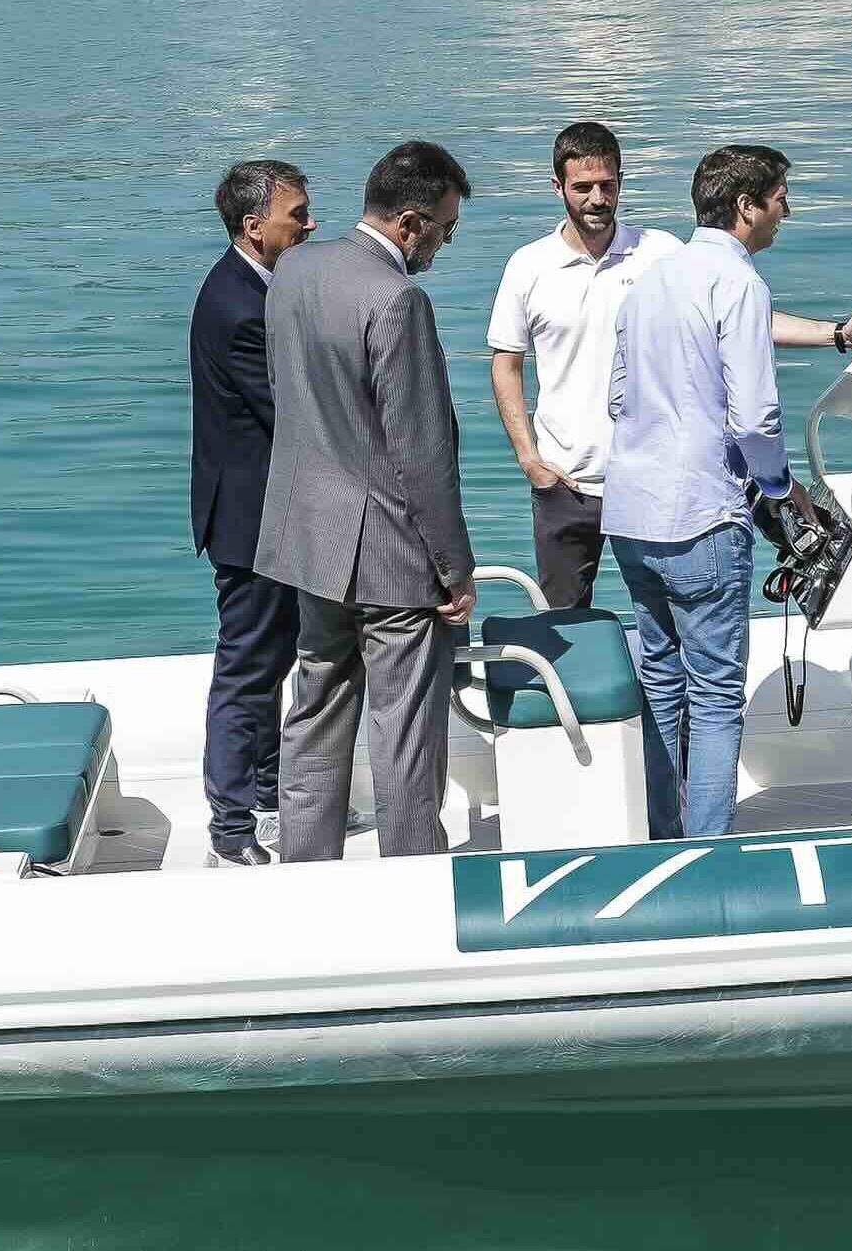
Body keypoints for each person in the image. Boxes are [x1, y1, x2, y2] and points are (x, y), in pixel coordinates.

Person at [600, 144, 852, 838]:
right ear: (746, 206)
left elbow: (616, 399)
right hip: (701, 514)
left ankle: (665, 834)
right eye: (781, 195)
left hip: (631, 514)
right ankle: (711, 856)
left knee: (662, 685)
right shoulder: (742, 285)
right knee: (718, 696)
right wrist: (784, 495)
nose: (787, 208)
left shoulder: (648, 283)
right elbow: (755, 418)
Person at [255, 139, 479, 863]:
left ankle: (306, 873)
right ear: (411, 222)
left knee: (314, 714)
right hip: (390, 551)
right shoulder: (398, 298)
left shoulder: (293, 268)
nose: (443, 243)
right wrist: (454, 567)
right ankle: (411, 886)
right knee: (405, 735)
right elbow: (421, 452)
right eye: (445, 228)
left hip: (309, 539)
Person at [480, 120, 674, 612]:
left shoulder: (662, 253)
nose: (596, 198)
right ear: (558, 188)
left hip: (650, 475)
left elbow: (728, 319)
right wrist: (529, 458)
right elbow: (506, 364)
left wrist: (834, 334)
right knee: (563, 618)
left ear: (621, 182)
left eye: (607, 185)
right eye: (582, 187)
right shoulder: (529, 265)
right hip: (564, 480)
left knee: (665, 616)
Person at [184, 157, 312, 866]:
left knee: (273, 653)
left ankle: (266, 792)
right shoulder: (240, 309)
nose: (309, 223)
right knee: (247, 667)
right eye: (297, 214)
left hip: (260, 508)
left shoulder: (248, 287)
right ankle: (231, 825)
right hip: (252, 516)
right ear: (253, 223)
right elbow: (287, 405)